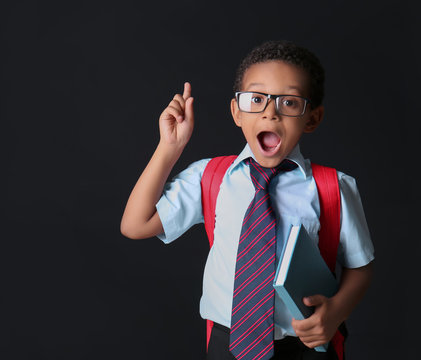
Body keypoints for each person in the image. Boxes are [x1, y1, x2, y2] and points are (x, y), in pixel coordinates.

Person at [120, 40, 374, 360]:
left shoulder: (334, 187)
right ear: (236, 112)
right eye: (256, 99)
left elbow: (360, 267)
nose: (270, 112)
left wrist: (336, 312)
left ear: (312, 118)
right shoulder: (209, 177)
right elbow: (134, 225)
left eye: (289, 102)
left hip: (306, 343)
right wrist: (169, 147)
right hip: (229, 344)